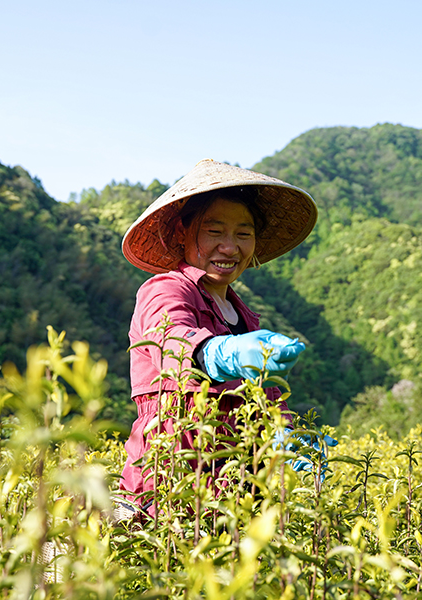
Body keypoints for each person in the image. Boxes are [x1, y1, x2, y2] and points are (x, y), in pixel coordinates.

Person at [117, 159, 330, 518]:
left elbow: (271, 402)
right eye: (215, 232)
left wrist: (289, 439)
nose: (230, 247)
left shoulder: (244, 316)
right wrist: (216, 353)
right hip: (171, 491)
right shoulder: (165, 290)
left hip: (235, 501)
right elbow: (170, 337)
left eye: (243, 234)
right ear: (184, 233)